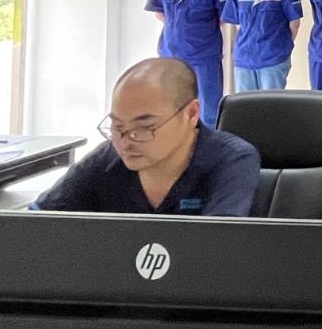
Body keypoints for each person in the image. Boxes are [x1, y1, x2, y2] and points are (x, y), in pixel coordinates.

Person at [34, 58, 260, 215]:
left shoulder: (232, 160)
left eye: (144, 127)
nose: (125, 142)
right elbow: (35, 223)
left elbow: (219, 246)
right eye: (117, 126)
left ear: (191, 114)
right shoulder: (106, 160)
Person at [145, 0, 231, 127]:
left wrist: (196, 30)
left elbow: (224, 16)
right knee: (171, 108)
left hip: (204, 56)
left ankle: (208, 146)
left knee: (208, 111)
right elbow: (159, 11)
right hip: (170, 56)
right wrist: (179, 25)